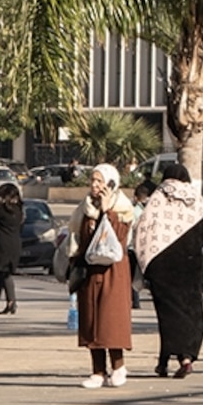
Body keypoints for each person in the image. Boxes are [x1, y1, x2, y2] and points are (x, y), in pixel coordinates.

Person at [133, 161, 203, 379]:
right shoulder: (196, 199)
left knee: (167, 314)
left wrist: (146, 260)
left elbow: (142, 229)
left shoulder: (157, 198)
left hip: (162, 265)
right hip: (190, 264)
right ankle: (186, 357)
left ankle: (165, 361)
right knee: (190, 310)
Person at [69, 163, 134, 388]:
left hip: (113, 271)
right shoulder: (85, 207)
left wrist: (107, 211)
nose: (95, 185)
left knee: (110, 320)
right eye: (93, 181)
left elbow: (119, 238)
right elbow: (78, 237)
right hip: (90, 271)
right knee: (91, 320)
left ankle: (118, 366)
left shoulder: (123, 209)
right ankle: (97, 371)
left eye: (100, 181)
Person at [0, 181, 25, 315]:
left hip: (2, 244)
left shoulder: (2, 211)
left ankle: (10, 302)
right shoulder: (19, 211)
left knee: (3, 272)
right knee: (0, 273)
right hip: (14, 243)